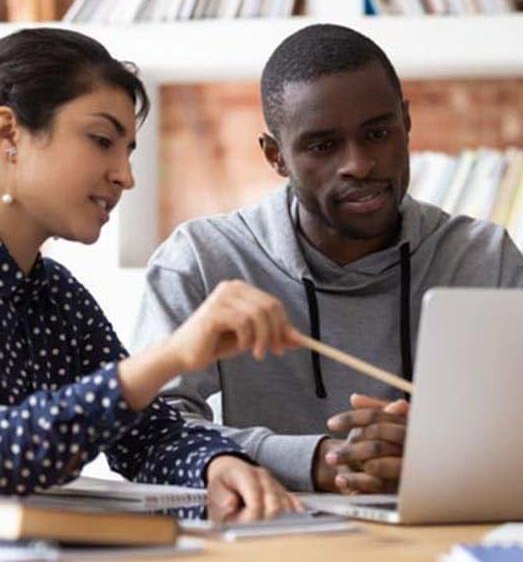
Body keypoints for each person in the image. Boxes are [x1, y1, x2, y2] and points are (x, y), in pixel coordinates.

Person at [132, 23, 523, 495]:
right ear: (275, 156)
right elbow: (150, 434)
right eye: (323, 146)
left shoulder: (484, 258)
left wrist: (443, 450)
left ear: (406, 124)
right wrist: (315, 461)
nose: (359, 164)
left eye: (378, 133)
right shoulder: (202, 260)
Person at [0, 27, 304, 521]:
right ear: (9, 132)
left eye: (128, 151)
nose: (125, 175)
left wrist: (215, 465)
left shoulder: (57, 297)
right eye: (101, 140)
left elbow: (145, 436)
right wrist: (171, 355)